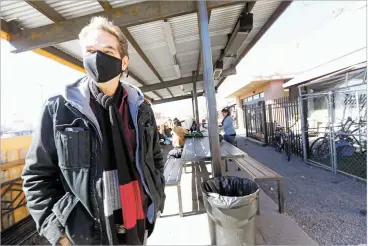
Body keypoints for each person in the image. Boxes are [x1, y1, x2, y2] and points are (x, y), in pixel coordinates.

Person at [22, 17, 165, 246]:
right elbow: (37, 176)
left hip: (138, 223)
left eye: (107, 50)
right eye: (90, 50)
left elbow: (155, 157)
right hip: (88, 236)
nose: (97, 57)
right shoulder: (59, 110)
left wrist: (157, 198)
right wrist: (58, 233)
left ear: (124, 62)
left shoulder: (141, 108)